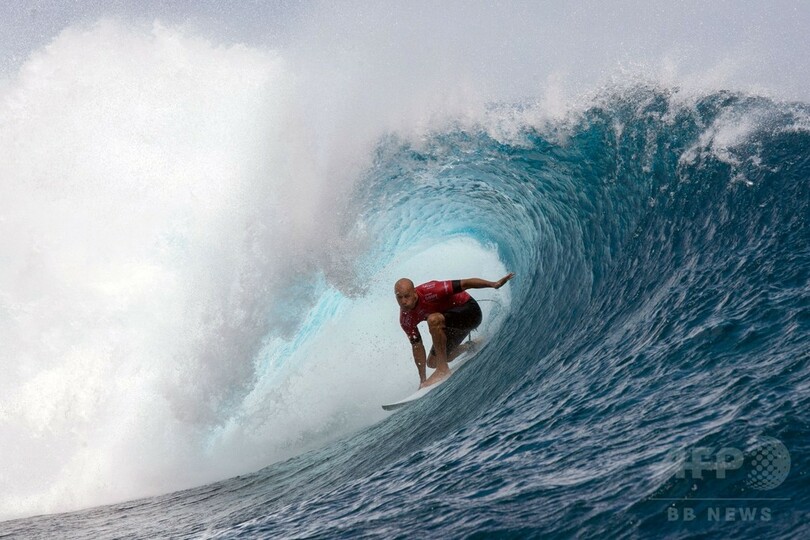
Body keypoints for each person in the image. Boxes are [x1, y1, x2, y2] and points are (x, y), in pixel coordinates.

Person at [395, 273, 514, 388]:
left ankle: (442, 369)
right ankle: (470, 346)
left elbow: (465, 283)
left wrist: (494, 284)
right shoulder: (405, 319)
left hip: (470, 314)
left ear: (414, 293)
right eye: (399, 297)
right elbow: (417, 346)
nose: (403, 301)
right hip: (451, 326)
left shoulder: (431, 290)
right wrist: (423, 380)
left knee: (433, 319)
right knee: (432, 362)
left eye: (407, 296)